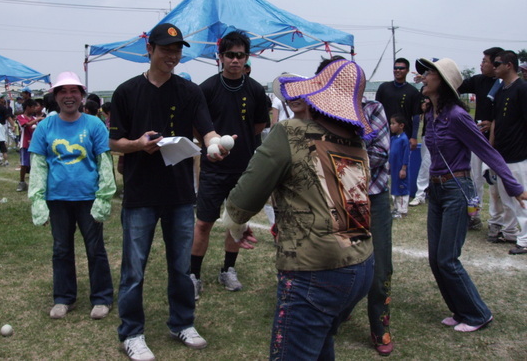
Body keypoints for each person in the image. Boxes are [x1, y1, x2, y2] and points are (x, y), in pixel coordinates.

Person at [223, 58, 374, 360]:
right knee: (320, 346)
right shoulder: (356, 143)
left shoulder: (290, 131)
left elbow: (243, 197)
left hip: (315, 269)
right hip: (360, 264)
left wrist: (235, 225)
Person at [110, 23, 221, 359]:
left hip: (179, 195)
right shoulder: (126, 92)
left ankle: (182, 323)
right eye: (165, 49)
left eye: (177, 50)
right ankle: (131, 333)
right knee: (134, 269)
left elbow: (208, 129)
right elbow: (114, 141)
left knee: (181, 267)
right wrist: (137, 144)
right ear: (149, 50)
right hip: (141, 194)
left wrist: (217, 144)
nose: (172, 56)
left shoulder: (189, 92)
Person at [415, 57, 526, 332]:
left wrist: (514, 187)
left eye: (429, 73)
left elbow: (487, 151)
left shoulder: (457, 116)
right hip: (437, 189)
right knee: (435, 259)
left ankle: (478, 314)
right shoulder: (431, 114)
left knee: (447, 259)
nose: (424, 77)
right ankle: (461, 310)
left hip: (457, 189)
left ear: (442, 82)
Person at [28, 71, 116, 320]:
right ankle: (63, 297)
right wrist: (38, 200)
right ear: (55, 96)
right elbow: (38, 165)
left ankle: (101, 297)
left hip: (88, 198)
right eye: (63, 92)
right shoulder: (45, 127)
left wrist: (104, 197)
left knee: (95, 249)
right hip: (57, 200)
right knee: (61, 249)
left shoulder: (94, 125)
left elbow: (104, 163)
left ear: (81, 95)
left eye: (74, 91)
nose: (69, 96)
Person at [190, 30, 268, 298]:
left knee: (237, 223)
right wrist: (210, 146)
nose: (235, 60)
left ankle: (228, 270)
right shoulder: (206, 89)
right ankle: (193, 274)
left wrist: (244, 141)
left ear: (247, 57)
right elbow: (198, 126)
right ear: (220, 57)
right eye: (230, 55)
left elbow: (258, 125)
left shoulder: (256, 90)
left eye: (240, 55)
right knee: (203, 223)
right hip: (212, 169)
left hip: (244, 169)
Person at [457, 47, 504, 230]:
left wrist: (493, 124)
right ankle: (473, 215)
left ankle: (497, 221)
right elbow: (457, 85)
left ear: (496, 63)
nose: (481, 64)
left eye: (485, 61)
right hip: (478, 138)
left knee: (495, 182)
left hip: (500, 142)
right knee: (475, 178)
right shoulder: (479, 80)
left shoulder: (505, 85)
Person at [361, 98, 394, 356]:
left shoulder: (372, 108)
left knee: (380, 265)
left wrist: (338, 166)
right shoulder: (321, 108)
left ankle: (379, 326)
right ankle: (339, 313)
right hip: (336, 199)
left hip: (374, 197)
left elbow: (380, 153)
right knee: (338, 260)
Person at [490, 50, 527, 254]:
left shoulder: (522, 88)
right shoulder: (502, 90)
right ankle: (511, 232)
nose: (494, 67)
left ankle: (525, 239)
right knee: (506, 198)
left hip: (519, 155)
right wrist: (491, 148)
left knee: (520, 197)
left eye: (497, 64)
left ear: (509, 65)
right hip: (502, 155)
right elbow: (496, 122)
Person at [375, 58, 421, 150]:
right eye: (395, 68)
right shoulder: (384, 88)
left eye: (401, 68)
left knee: (401, 162)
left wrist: (414, 137)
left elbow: (416, 116)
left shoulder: (413, 92)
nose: (398, 70)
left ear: (407, 70)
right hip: (384, 135)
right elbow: (375, 111)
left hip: (404, 135)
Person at [16, 99, 43, 192]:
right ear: (27, 107)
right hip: (24, 143)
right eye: (33, 107)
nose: (34, 109)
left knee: (34, 164)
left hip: (34, 144)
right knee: (24, 164)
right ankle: (22, 182)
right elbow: (26, 125)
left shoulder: (34, 119)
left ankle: (34, 182)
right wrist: (38, 119)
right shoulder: (20, 117)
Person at [410, 96, 431, 206]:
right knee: (426, 164)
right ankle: (425, 193)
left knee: (426, 165)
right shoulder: (424, 92)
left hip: (441, 133)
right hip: (427, 134)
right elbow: (418, 113)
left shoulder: (444, 92)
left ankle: (420, 194)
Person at [389, 114, 410, 218]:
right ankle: (396, 209)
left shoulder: (404, 139)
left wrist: (403, 169)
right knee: (395, 188)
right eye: (390, 123)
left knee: (402, 189)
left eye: (393, 123)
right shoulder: (393, 139)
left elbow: (406, 155)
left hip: (400, 169)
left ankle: (403, 211)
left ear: (401, 125)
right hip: (393, 169)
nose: (391, 126)